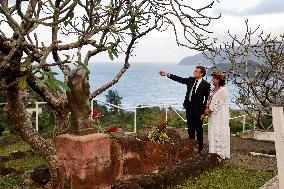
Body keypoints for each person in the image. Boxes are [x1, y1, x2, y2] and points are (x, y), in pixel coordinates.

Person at [159, 66, 210, 153]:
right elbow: (179, 79)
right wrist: (167, 74)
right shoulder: (190, 80)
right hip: (189, 109)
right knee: (190, 130)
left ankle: (200, 149)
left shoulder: (206, 85)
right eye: (194, 71)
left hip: (198, 112)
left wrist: (203, 113)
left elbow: (207, 100)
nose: (194, 72)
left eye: (196, 71)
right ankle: (191, 147)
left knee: (199, 131)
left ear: (201, 74)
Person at [205, 72, 230, 159]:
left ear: (218, 80)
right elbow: (210, 99)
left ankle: (221, 153)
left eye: (214, 79)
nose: (212, 80)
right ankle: (213, 152)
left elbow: (220, 102)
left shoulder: (223, 90)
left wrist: (210, 109)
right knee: (213, 130)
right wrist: (207, 107)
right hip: (213, 115)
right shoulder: (214, 89)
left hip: (219, 114)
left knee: (219, 131)